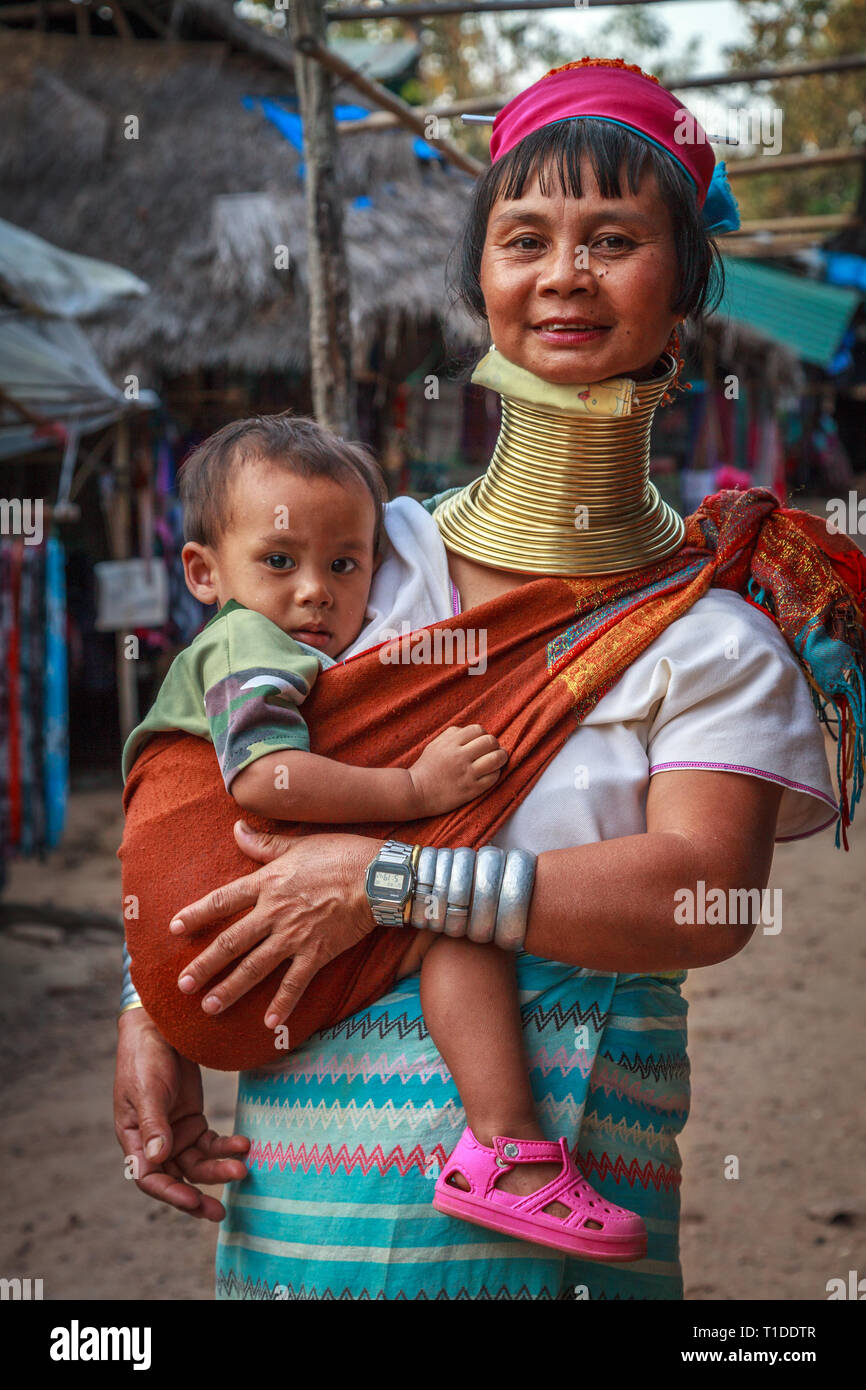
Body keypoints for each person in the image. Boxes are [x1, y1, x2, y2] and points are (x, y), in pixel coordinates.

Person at [115, 56, 866, 1300]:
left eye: (613, 238)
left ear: (683, 288)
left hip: (566, 1198)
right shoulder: (356, 561)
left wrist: (392, 881)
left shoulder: (709, 628)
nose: (563, 272)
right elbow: (203, 763)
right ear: (479, 280)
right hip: (309, 1202)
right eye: (525, 237)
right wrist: (148, 1003)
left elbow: (701, 895)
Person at [121, 412, 648, 1260]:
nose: (316, 591)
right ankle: (505, 1150)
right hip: (214, 921)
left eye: (345, 564)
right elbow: (264, 778)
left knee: (441, 904)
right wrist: (414, 788)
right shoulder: (244, 644)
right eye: (279, 562)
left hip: (225, 967)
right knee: (451, 912)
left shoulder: (309, 649)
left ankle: (501, 1149)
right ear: (203, 571)